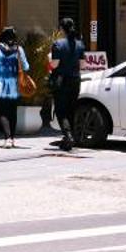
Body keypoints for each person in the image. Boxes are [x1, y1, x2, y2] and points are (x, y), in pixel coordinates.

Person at [48, 17, 87, 151]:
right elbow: (83, 65)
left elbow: (55, 64)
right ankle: (69, 138)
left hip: (61, 80)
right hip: (75, 80)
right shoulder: (80, 44)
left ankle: (68, 135)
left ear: (61, 29)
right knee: (71, 109)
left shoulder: (58, 44)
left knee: (61, 110)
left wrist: (49, 61)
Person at [0, 26, 27, 148]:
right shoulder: (19, 50)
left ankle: (7, 138)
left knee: (2, 112)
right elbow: (26, 67)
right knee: (12, 112)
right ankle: (13, 139)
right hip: (14, 85)